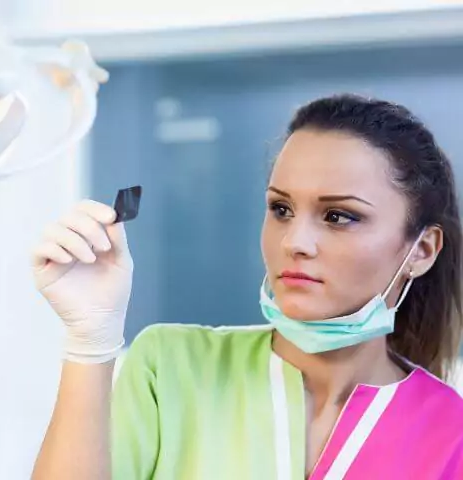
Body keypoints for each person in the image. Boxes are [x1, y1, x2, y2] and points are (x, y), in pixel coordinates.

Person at [30, 94, 463, 480]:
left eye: (338, 217)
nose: (295, 242)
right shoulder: (171, 367)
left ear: (422, 250)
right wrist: (89, 342)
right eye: (281, 209)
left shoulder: (451, 432)